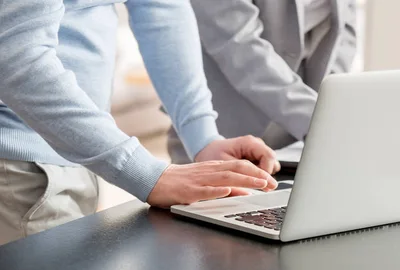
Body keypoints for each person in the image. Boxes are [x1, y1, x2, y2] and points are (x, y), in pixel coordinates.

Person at [0, 0, 279, 245]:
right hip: (22, 162)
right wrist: (143, 172)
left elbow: (161, 9)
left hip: (77, 154)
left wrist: (203, 137)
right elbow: (17, 56)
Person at [168, 0, 357, 163]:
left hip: (298, 143)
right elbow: (238, 47)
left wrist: (328, 106)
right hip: (222, 135)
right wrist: (321, 119)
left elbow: (343, 29)